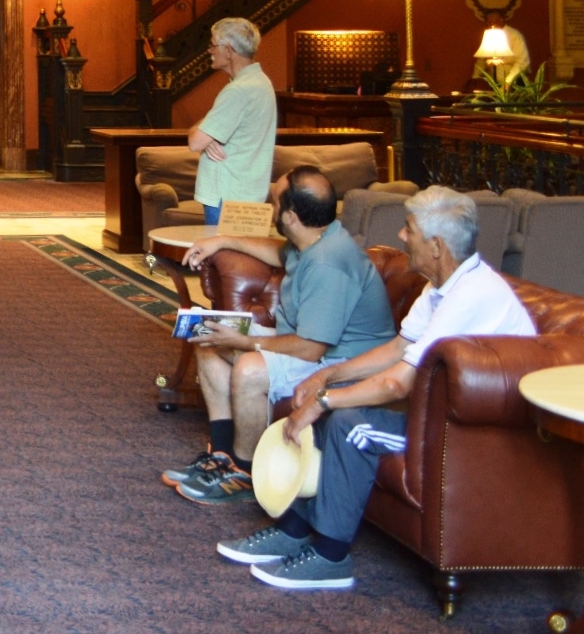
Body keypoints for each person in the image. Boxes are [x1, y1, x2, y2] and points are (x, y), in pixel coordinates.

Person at [217, 186, 535, 591]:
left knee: (351, 425)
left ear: (436, 246)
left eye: (409, 229)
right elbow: (397, 348)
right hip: (438, 417)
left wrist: (321, 401)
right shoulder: (443, 287)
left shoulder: (471, 297)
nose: (402, 236)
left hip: (473, 439)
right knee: (336, 412)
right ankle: (294, 529)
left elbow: (396, 381)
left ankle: (331, 557)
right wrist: (326, 378)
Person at [166, 166, 396, 504]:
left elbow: (310, 348)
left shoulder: (329, 263)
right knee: (209, 339)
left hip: (343, 363)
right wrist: (223, 241)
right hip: (311, 345)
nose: (270, 206)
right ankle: (224, 454)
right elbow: (279, 253)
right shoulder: (314, 239)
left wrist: (245, 343)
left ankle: (244, 474)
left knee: (250, 368)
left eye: (275, 201)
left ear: (289, 216)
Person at [187, 17, 277, 227]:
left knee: (223, 258)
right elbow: (206, 134)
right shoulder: (260, 81)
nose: (210, 50)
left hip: (226, 197)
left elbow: (195, 141)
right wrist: (207, 132)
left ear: (228, 50)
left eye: (213, 45)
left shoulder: (238, 90)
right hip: (246, 192)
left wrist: (201, 131)